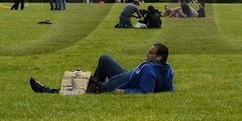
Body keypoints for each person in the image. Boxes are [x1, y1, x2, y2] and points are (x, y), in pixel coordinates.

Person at [30, 42, 175, 94]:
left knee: (80, 87)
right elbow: (169, 90)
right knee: (105, 59)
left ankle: (46, 90)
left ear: (159, 58)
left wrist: (124, 92)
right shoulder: (168, 69)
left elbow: (146, 91)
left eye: (150, 53)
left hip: (117, 84)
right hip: (125, 75)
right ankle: (94, 84)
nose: (146, 54)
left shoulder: (150, 70)